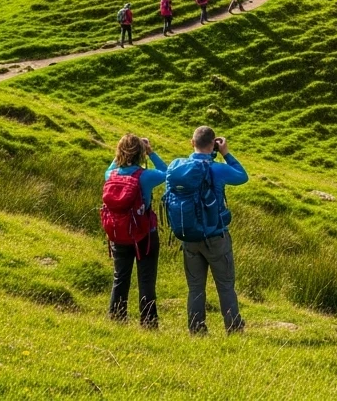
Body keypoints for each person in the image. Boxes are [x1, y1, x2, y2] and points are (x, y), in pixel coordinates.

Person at [167, 127, 248, 334]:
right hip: (215, 236)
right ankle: (233, 327)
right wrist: (226, 153)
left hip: (189, 236)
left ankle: (196, 328)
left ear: (191, 142)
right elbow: (242, 176)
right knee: (225, 285)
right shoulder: (217, 169)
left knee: (195, 287)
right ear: (213, 144)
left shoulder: (179, 168)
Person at [102, 134, 167, 327]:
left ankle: (116, 317)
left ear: (119, 152)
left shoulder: (111, 175)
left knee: (120, 277)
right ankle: (148, 322)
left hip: (118, 234)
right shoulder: (146, 176)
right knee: (146, 279)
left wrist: (121, 153)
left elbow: (110, 167)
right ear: (141, 153)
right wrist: (151, 152)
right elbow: (167, 172)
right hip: (144, 234)